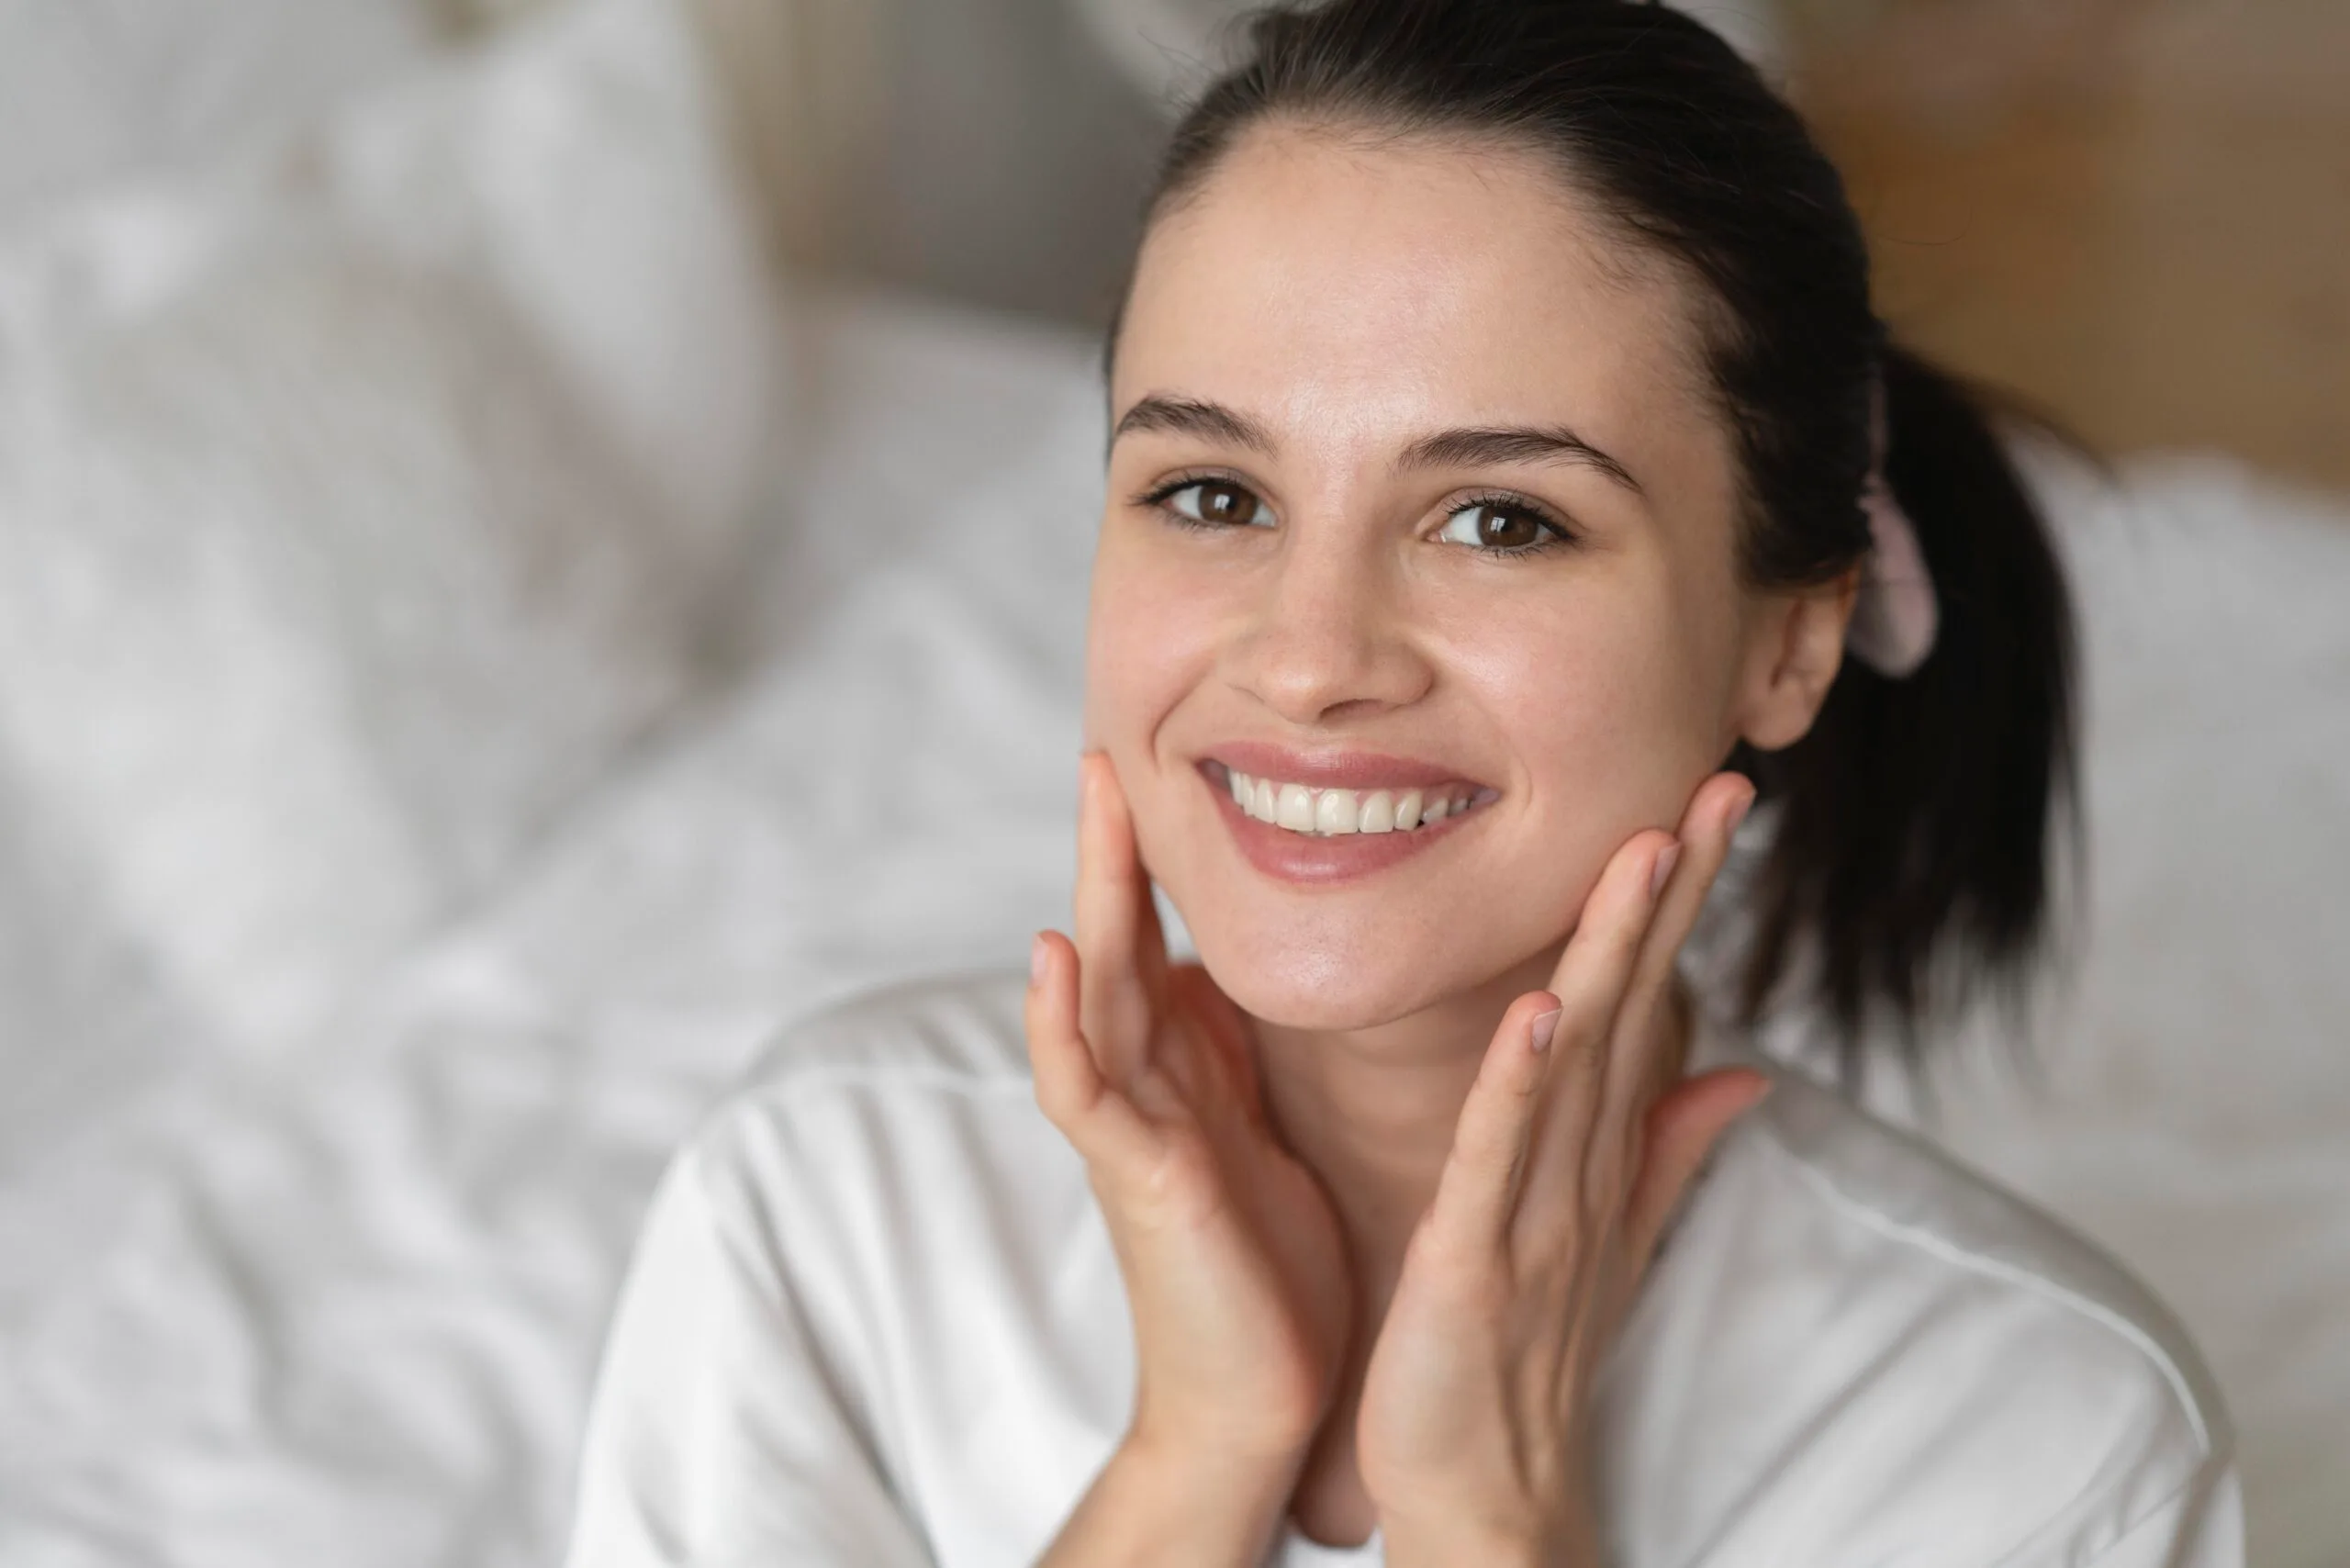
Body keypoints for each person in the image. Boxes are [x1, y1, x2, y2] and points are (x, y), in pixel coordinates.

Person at [563, 2, 2243, 1563]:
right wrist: (1198, 1450)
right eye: (1214, 494)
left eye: (1501, 519)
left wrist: (1488, 1518)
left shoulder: (2043, 1445)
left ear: (1789, 645)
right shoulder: (828, 1200)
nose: (1310, 659)